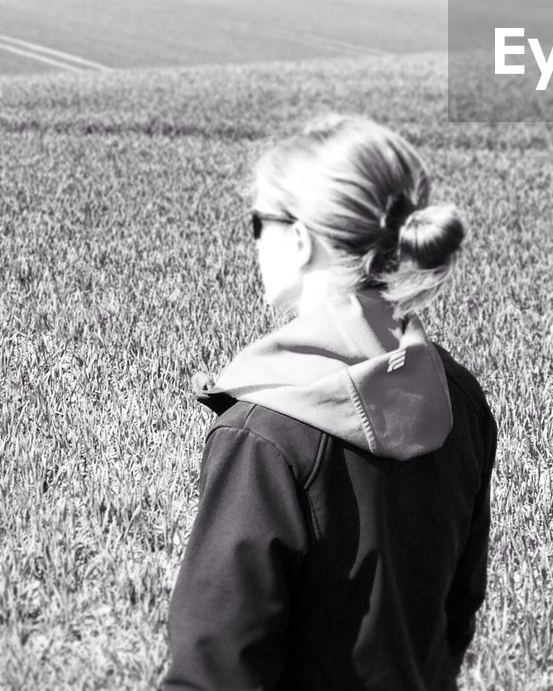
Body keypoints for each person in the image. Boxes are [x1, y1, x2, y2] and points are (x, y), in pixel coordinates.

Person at [161, 115, 497, 691]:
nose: (253, 241)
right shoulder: (458, 398)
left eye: (257, 222)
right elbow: (456, 612)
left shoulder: (264, 436)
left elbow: (215, 669)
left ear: (300, 240)